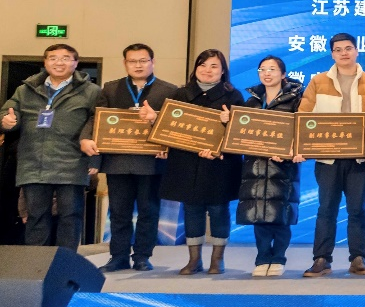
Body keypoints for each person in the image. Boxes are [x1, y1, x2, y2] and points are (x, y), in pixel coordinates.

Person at [295, 33, 365, 278]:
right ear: (332, 54)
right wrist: (300, 146)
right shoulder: (318, 81)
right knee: (326, 208)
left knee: (357, 209)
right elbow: (303, 116)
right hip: (327, 158)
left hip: (359, 157)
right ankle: (321, 259)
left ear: (357, 51)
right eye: (338, 50)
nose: (344, 53)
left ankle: (358, 258)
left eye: (348, 48)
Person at [80, 44, 178, 272]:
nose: (138, 65)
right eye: (132, 61)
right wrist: (86, 140)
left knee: (148, 211)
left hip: (151, 161)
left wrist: (163, 137)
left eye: (143, 61)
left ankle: (142, 256)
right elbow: (97, 119)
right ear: (125, 63)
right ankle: (118, 256)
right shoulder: (111, 88)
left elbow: (174, 124)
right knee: (118, 212)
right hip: (118, 161)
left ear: (153, 62)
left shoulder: (168, 90)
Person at [1, 44, 100, 250]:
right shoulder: (25, 90)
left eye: (65, 58)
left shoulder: (91, 91)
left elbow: (98, 123)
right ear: (45, 62)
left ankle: (65, 263)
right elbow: (8, 112)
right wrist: (7, 121)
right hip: (33, 162)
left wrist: (95, 159)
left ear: (76, 63)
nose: (58, 63)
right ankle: (37, 264)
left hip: (72, 163)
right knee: (36, 217)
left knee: (70, 217)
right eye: (53, 58)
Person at [160, 49, 244, 275]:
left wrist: (229, 122)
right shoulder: (180, 94)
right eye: (203, 65)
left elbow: (241, 133)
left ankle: (218, 260)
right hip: (187, 161)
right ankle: (194, 260)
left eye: (214, 66)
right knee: (192, 209)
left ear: (223, 70)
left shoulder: (233, 96)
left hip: (220, 164)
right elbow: (170, 127)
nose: (208, 70)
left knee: (218, 209)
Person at [235, 55, 302, 278]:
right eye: (262, 69)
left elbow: (302, 131)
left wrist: (290, 150)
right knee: (259, 215)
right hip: (255, 165)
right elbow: (241, 132)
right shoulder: (252, 101)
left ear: (283, 74)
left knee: (280, 215)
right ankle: (262, 257)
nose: (267, 73)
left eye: (272, 69)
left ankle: (279, 258)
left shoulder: (296, 100)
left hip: (282, 166)